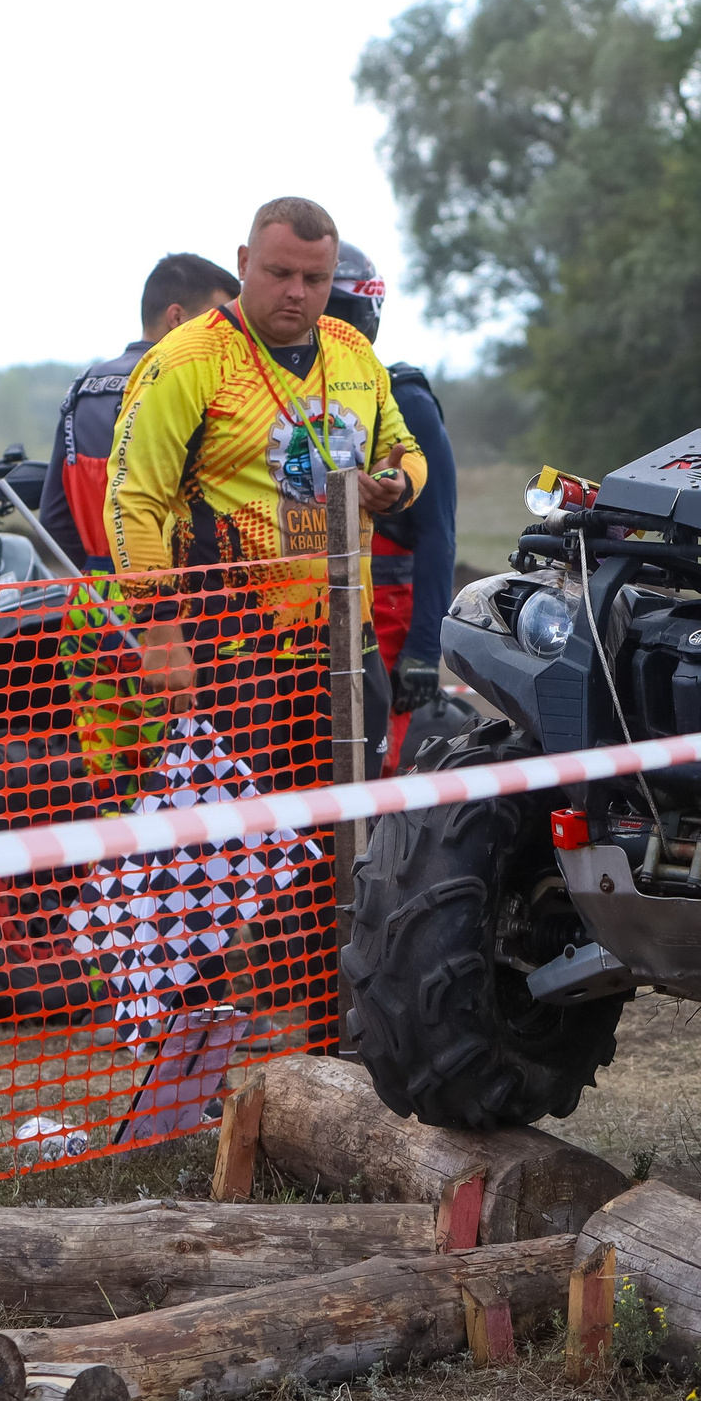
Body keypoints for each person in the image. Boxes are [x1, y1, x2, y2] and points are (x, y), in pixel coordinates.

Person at [87, 197, 425, 1046]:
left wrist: (398, 484)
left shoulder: (351, 354)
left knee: (339, 846)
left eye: (315, 278)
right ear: (244, 262)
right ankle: (183, 1049)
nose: (299, 293)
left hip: (339, 652)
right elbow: (134, 500)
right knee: (212, 856)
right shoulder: (189, 359)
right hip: (226, 650)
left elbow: (405, 448)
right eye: (280, 273)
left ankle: (331, 1039)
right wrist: (158, 629)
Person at [322, 242, 459, 765]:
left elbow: (438, 532)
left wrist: (426, 648)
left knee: (370, 758)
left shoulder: (403, 398)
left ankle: (369, 850)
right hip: (317, 604)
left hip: (385, 608)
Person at [40, 254, 240, 574]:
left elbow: (54, 518)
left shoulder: (81, 388)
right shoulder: (192, 387)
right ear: (176, 317)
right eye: (214, 322)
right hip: (183, 603)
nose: (227, 335)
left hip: (94, 602)